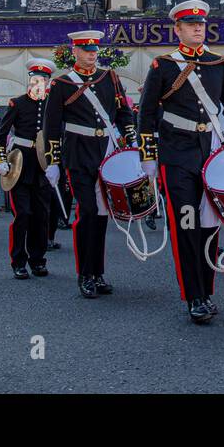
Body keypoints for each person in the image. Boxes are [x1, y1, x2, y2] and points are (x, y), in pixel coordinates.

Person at [138, 1, 224, 325]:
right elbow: (145, 114)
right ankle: (193, 296)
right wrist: (148, 156)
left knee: (211, 227)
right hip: (176, 156)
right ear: (178, 29)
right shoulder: (163, 66)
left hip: (211, 155)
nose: (198, 28)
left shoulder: (218, 63)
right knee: (186, 225)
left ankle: (208, 290)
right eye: (190, 24)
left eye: (201, 24)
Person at [45, 29, 136, 300]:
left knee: (101, 215)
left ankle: (98, 272)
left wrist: (130, 138)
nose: (91, 55)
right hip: (78, 153)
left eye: (94, 50)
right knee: (86, 213)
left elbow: (123, 113)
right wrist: (53, 161)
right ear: (74, 52)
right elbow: (51, 126)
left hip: (106, 152)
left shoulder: (110, 77)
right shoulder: (62, 84)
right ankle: (84, 274)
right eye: (86, 50)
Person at [0, 59, 55, 280]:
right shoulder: (17, 103)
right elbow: (0, 136)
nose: (39, 83)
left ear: (48, 83)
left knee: (41, 216)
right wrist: (1, 160)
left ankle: (38, 260)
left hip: (44, 167)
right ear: (30, 81)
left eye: (43, 80)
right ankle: (18, 261)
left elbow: (60, 136)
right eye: (35, 79)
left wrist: (58, 164)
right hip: (19, 165)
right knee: (23, 215)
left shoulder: (52, 104)